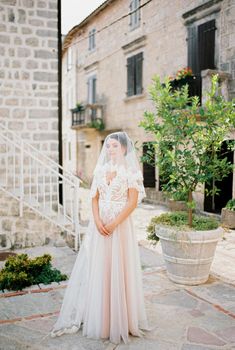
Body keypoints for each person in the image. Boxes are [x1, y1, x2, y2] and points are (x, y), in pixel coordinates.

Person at [50, 131, 149, 344]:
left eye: (115, 146)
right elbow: (93, 198)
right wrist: (96, 221)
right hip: (99, 226)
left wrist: (114, 223)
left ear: (123, 148)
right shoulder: (101, 170)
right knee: (101, 269)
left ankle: (120, 320)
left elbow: (132, 203)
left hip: (120, 227)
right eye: (108, 146)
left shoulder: (130, 171)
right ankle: (102, 319)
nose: (111, 149)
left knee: (119, 268)